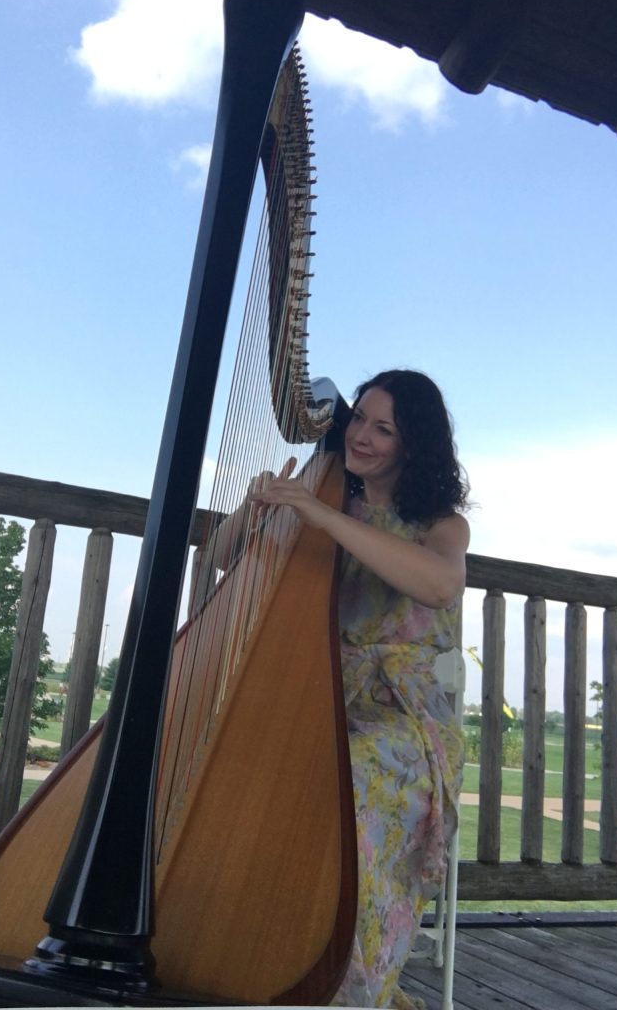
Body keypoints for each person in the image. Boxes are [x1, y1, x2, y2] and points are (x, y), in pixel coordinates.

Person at [254, 369, 470, 1010]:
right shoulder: (323, 502)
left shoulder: (440, 526)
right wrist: (263, 503)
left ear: (413, 445)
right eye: (359, 419)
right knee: (250, 776)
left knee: (353, 786)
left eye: (385, 428)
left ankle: (349, 987)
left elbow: (439, 587)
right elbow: (221, 560)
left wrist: (322, 514)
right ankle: (257, 954)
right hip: (321, 698)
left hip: (407, 720)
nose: (363, 436)